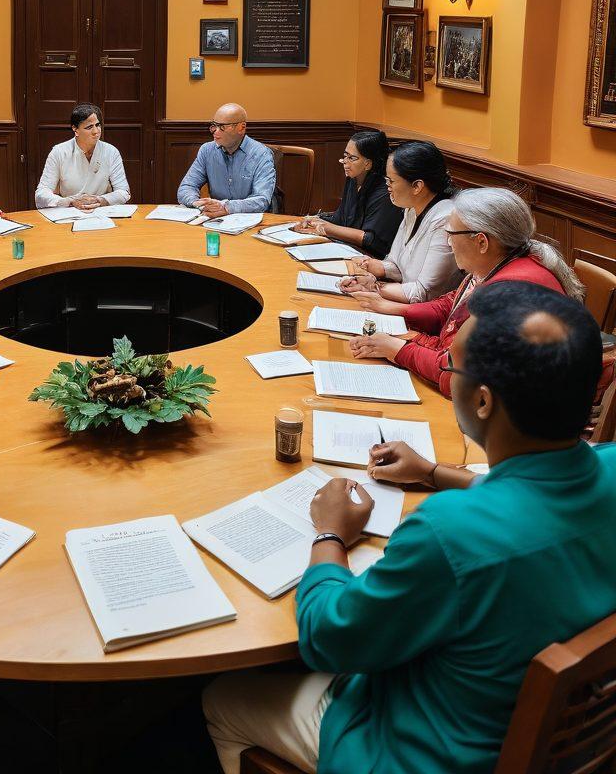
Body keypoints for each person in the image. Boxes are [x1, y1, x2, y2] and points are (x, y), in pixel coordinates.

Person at [204, 282, 616, 774]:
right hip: (562, 737)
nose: (447, 374)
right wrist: (434, 472)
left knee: (223, 698)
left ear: (483, 402)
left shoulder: (450, 532)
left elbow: (328, 640)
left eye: (451, 367)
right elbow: (543, 490)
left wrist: (329, 535)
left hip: (426, 752)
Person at [346, 186, 584, 396]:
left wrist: (399, 349)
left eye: (450, 234)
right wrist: (393, 310)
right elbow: (450, 306)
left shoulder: (509, 294)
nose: (448, 243)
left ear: (481, 242)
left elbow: (458, 379)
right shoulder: (499, 262)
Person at [338, 140, 460, 303]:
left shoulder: (445, 220)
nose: (387, 186)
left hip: (423, 312)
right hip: (399, 300)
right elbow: (397, 265)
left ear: (417, 186)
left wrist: (373, 287)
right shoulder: (412, 208)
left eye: (391, 181)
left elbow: (424, 293)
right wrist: (376, 270)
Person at [294, 130, 402, 258]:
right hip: (347, 248)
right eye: (345, 156)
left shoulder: (385, 191)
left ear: (368, 163)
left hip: (371, 258)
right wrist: (314, 220)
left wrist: (326, 228)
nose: (345, 162)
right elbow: (341, 218)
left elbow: (372, 241)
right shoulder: (353, 178)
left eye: (352, 158)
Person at [176, 102, 275, 217]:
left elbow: (262, 200)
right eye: (214, 126)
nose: (215, 131)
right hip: (216, 218)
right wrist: (197, 203)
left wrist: (226, 207)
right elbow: (186, 187)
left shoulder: (262, 154)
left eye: (222, 127)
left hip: (250, 219)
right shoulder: (207, 150)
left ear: (241, 128)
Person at [34, 103, 131, 211]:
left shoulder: (111, 152)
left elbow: (123, 192)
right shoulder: (59, 152)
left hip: (101, 211)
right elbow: (41, 193)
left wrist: (99, 200)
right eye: (89, 127)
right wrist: (69, 201)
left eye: (98, 125)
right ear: (75, 129)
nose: (96, 131)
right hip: (69, 212)